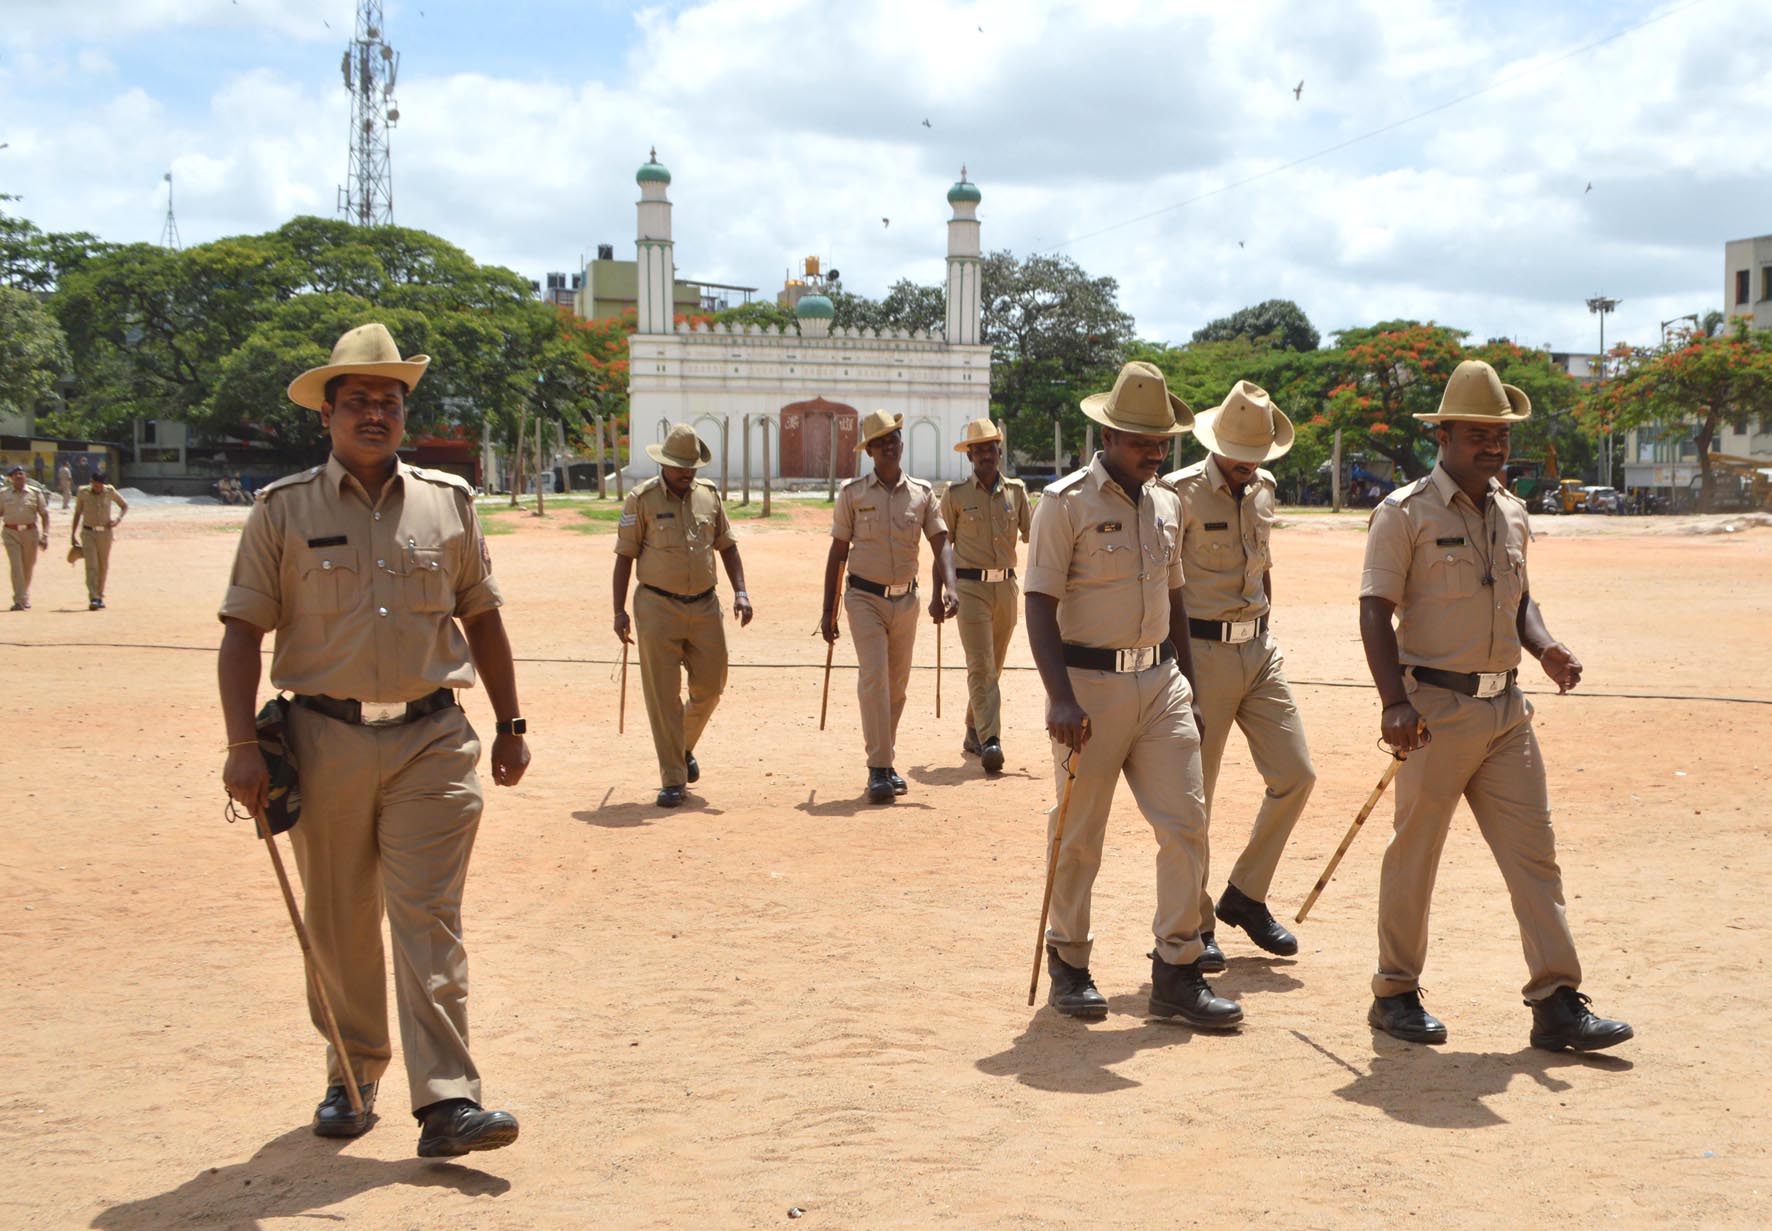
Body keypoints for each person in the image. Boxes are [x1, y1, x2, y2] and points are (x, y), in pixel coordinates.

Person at [217, 322, 533, 1156]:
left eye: (389, 401)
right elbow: (242, 633)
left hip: (434, 737)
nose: (374, 413)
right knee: (340, 920)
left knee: (428, 915)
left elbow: (483, 618)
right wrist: (241, 746)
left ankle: (448, 1100)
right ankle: (352, 1076)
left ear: (404, 414)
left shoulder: (448, 501)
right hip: (324, 741)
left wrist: (510, 724)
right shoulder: (282, 510)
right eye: (356, 400)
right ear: (325, 413)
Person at [1358, 358, 1632, 1053]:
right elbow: (1374, 610)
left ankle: (1556, 1001)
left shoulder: (1512, 510)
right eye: (1478, 433)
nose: (1493, 445)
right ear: (1444, 435)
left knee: (1534, 855)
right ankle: (1394, 991)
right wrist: (1393, 701)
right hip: (1434, 711)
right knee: (1415, 854)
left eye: (1501, 434)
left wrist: (1545, 647)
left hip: (1507, 711)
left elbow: (1520, 599)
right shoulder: (1403, 512)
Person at [1024, 361, 1241, 1029]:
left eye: (1162, 442)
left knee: (1186, 824)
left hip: (1162, 686)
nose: (1155, 452)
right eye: (1143, 441)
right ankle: (1069, 960)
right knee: (1078, 834)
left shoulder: (1168, 503)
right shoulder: (1065, 504)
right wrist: (1060, 697)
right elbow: (1038, 603)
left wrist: (1191, 687)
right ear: (1109, 437)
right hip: (1088, 690)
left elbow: (1176, 600)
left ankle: (1177, 968)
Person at [1164, 382, 1316, 968]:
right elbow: (1165, 586)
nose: (1249, 462)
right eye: (1240, 451)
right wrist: (1177, 669)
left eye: (1258, 452)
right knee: (1195, 798)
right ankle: (1197, 923)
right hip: (1201, 655)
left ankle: (1246, 896)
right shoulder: (1178, 494)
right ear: (1216, 442)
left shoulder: (1264, 490)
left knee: (1296, 775)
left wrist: (1264, 625)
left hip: (1259, 651)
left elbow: (1263, 566)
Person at [819, 410, 958, 804]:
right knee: (875, 679)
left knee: (896, 687)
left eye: (893, 439)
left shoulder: (922, 493)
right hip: (864, 598)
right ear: (870, 451)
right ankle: (879, 767)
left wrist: (951, 587)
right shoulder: (853, 494)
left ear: (901, 443)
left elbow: (941, 542)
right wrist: (828, 611)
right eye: (880, 442)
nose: (889, 447)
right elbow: (838, 553)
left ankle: (885, 760)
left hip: (906, 600)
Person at [612, 423, 753, 807]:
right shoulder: (641, 499)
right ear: (663, 463)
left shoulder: (709, 496)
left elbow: (727, 546)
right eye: (679, 466)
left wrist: (741, 592)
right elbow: (624, 556)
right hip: (656, 607)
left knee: (711, 686)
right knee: (663, 697)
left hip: (705, 605)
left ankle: (682, 746)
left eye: (691, 466)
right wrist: (618, 611)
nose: (686, 472)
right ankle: (673, 778)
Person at [938, 418, 1031, 773]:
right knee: (981, 665)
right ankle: (991, 740)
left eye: (990, 448)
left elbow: (1035, 537)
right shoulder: (955, 495)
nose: (985, 455)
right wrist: (941, 592)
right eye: (977, 450)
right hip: (969, 589)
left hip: (1006, 589)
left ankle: (972, 728)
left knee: (994, 665)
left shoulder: (1017, 492)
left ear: (999, 451)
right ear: (970, 456)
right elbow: (941, 546)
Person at [69, 470, 128, 610]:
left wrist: (118, 519)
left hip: (105, 534)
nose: (97, 488)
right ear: (91, 482)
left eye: (100, 486)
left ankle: (100, 595)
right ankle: (94, 597)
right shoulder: (83, 492)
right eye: (95, 485)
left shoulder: (110, 491)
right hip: (88, 533)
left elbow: (124, 506)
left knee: (103, 565)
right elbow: (77, 513)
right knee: (92, 565)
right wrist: (73, 534)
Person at [3, 464, 51, 611]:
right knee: (16, 566)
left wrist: (45, 535)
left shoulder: (35, 493)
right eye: (15, 474)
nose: (19, 476)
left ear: (25, 476)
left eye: (21, 473)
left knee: (27, 566)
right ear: (11, 478)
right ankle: (19, 600)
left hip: (30, 533)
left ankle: (24, 596)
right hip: (10, 533)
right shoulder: (3, 494)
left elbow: (44, 515)